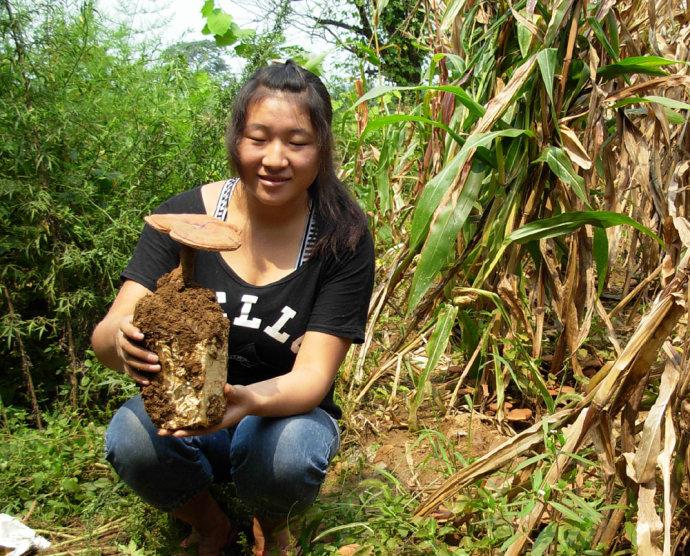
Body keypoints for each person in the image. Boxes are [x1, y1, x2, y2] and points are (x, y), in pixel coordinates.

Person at [91, 60, 375, 556]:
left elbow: (313, 377)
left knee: (286, 456)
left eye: (297, 141)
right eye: (258, 137)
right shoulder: (186, 218)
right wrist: (120, 339)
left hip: (283, 416)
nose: (274, 158)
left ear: (323, 149)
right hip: (189, 411)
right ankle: (211, 524)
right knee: (131, 437)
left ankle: (271, 521)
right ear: (235, 139)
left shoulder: (342, 238)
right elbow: (110, 328)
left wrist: (247, 401)